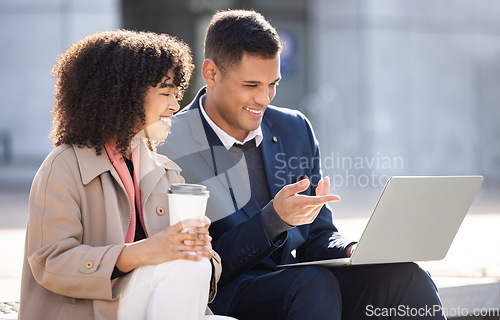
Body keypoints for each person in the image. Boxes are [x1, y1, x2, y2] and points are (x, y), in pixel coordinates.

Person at [158, 9, 446, 320]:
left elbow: (318, 236)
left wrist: (353, 249)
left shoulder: (294, 128)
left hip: (300, 289)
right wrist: (273, 220)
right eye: (251, 85)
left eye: (273, 84)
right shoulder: (169, 143)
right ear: (211, 73)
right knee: (312, 284)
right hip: (223, 293)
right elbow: (190, 261)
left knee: (405, 276)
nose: (265, 98)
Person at [20, 29, 224, 320]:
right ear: (122, 95)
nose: (175, 105)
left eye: (176, 95)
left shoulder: (164, 169)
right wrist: (139, 253)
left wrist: (201, 249)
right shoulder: (63, 166)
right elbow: (50, 262)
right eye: (165, 93)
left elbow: (193, 268)